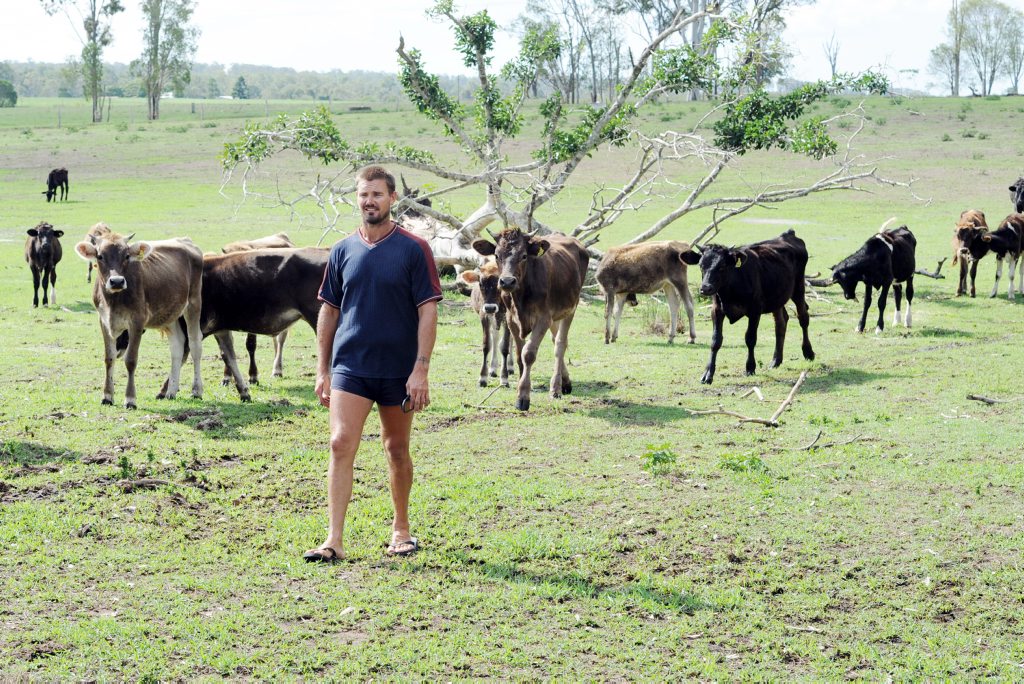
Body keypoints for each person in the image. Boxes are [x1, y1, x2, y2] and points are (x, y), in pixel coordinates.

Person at [303, 165, 442, 563]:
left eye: (378, 195)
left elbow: (428, 310)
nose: (370, 202)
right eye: (364, 195)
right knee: (339, 442)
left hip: (399, 370)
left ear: (392, 198)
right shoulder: (343, 250)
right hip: (351, 367)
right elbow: (328, 310)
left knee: (396, 447)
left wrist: (421, 369)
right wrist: (323, 369)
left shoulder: (414, 249)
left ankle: (401, 530)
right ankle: (333, 540)